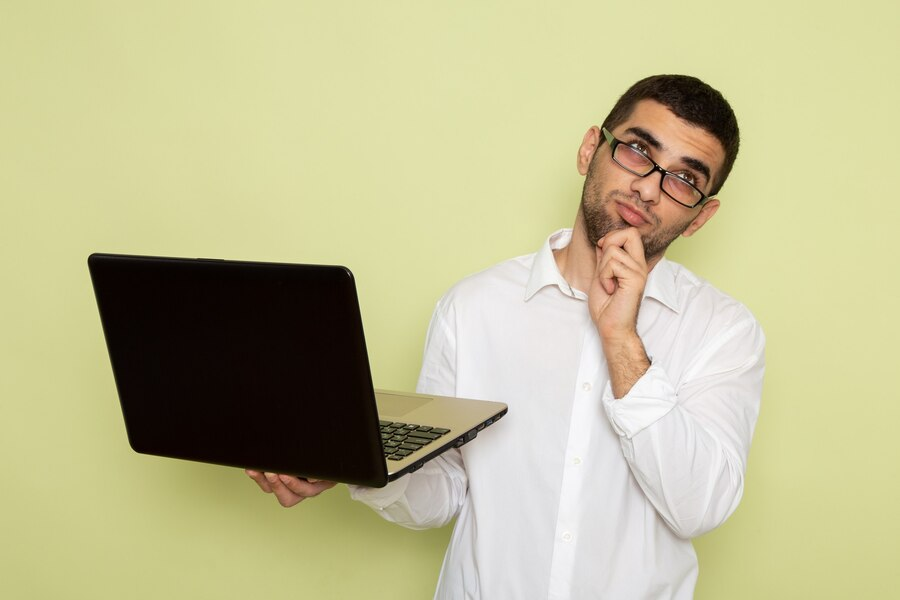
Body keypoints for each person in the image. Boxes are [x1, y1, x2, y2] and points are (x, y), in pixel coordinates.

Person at [247, 74, 765, 599]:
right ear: (591, 148)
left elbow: (699, 506)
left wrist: (622, 340)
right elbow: (445, 486)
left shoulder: (723, 331)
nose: (649, 188)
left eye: (685, 180)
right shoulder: (473, 307)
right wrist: (354, 465)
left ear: (701, 216)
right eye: (636, 150)